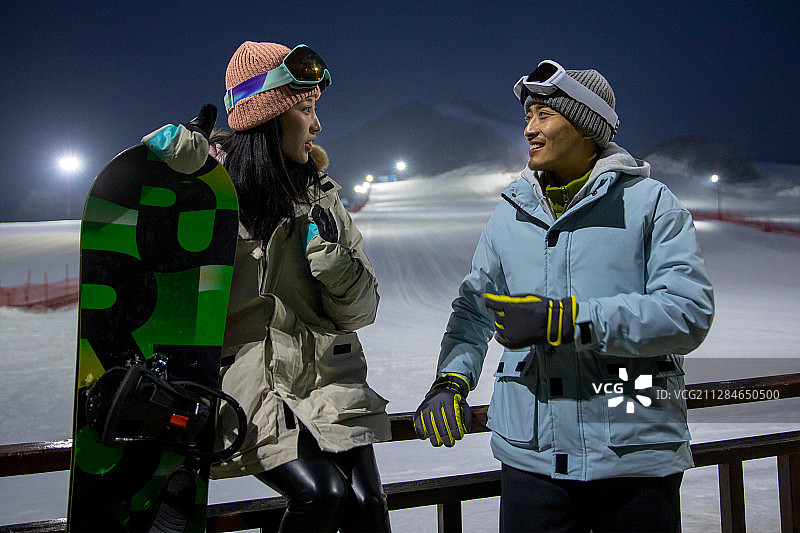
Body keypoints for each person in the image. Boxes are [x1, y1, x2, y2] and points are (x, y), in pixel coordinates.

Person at [413, 59, 714, 532]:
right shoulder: (510, 214)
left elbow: (686, 313)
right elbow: (473, 312)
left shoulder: (650, 204)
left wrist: (566, 320)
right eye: (528, 116)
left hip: (633, 450)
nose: (530, 129)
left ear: (586, 127)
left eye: (544, 115)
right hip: (534, 461)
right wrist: (450, 380)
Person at [146, 41, 392, 532]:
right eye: (305, 108)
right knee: (322, 494)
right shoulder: (214, 190)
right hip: (250, 382)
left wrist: (333, 262)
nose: (317, 123)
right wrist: (174, 170)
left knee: (368, 507)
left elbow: (361, 312)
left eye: (316, 107)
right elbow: (146, 222)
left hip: (327, 377)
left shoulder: (322, 196)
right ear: (266, 117)